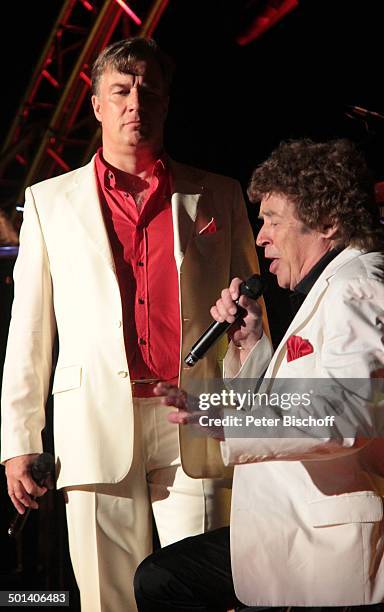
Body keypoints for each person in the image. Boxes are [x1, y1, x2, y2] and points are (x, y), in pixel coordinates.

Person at [0, 37, 266, 612]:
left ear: (167, 104)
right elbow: (29, 334)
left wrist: (253, 418)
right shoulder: (50, 202)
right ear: (96, 105)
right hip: (93, 419)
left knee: (201, 591)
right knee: (108, 600)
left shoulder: (218, 193)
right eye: (120, 91)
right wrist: (19, 441)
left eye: (148, 91)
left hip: (196, 417)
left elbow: (251, 316)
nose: (134, 104)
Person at [134, 138, 384, 610]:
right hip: (305, 528)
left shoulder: (361, 290)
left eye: (273, 220)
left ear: (327, 222)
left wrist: (224, 417)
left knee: (164, 581)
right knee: (162, 578)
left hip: (339, 544)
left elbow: (344, 414)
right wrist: (253, 348)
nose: (260, 237)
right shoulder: (346, 284)